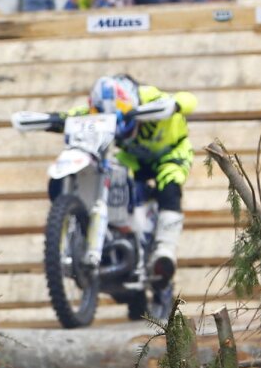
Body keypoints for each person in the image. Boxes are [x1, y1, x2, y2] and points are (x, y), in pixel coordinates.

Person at [54, 75, 195, 298]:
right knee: (114, 175)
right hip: (133, 158)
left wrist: (175, 104)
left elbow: (189, 99)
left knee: (170, 185)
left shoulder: (149, 97)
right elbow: (72, 115)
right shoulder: (97, 109)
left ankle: (164, 251)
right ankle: (119, 235)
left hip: (171, 153)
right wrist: (54, 120)